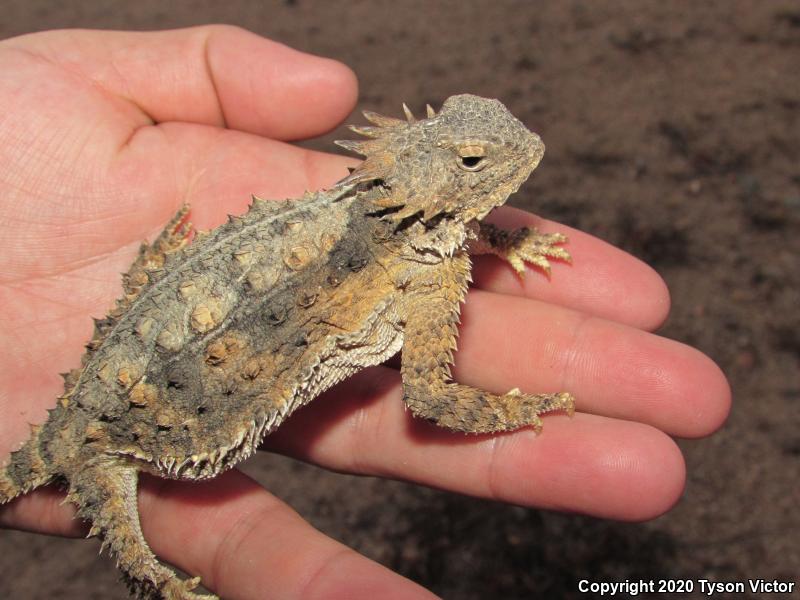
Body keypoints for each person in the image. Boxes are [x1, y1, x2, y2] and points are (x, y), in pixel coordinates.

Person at [0, 25, 730, 599]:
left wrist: (501, 240)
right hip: (133, 424)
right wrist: (523, 406)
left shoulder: (409, 223)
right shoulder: (424, 272)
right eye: (474, 160)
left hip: (144, 337)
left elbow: (444, 229)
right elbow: (429, 399)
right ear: (431, 169)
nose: (518, 150)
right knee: (148, 557)